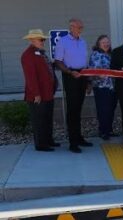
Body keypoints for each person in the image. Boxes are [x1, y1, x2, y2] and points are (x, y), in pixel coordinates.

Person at [55, 18, 92, 153]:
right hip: (70, 76)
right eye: (78, 27)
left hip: (82, 75)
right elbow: (58, 62)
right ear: (71, 27)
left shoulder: (83, 41)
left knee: (79, 109)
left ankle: (79, 137)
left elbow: (84, 62)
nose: (81, 30)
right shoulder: (62, 41)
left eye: (82, 27)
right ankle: (73, 142)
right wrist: (70, 72)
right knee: (72, 110)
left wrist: (88, 81)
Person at [21, 29, 60, 152]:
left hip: (48, 93)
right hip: (38, 95)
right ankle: (41, 144)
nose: (43, 41)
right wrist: (36, 94)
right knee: (39, 120)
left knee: (47, 118)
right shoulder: (28, 55)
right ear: (32, 40)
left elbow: (45, 69)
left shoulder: (41, 53)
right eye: (40, 39)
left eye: (43, 39)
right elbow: (30, 77)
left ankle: (48, 140)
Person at [89, 35, 117, 140]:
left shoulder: (111, 54)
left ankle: (109, 130)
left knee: (111, 109)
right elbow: (94, 70)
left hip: (112, 86)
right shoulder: (96, 54)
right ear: (98, 44)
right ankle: (103, 131)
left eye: (107, 42)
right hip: (101, 86)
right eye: (103, 42)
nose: (106, 44)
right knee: (103, 109)